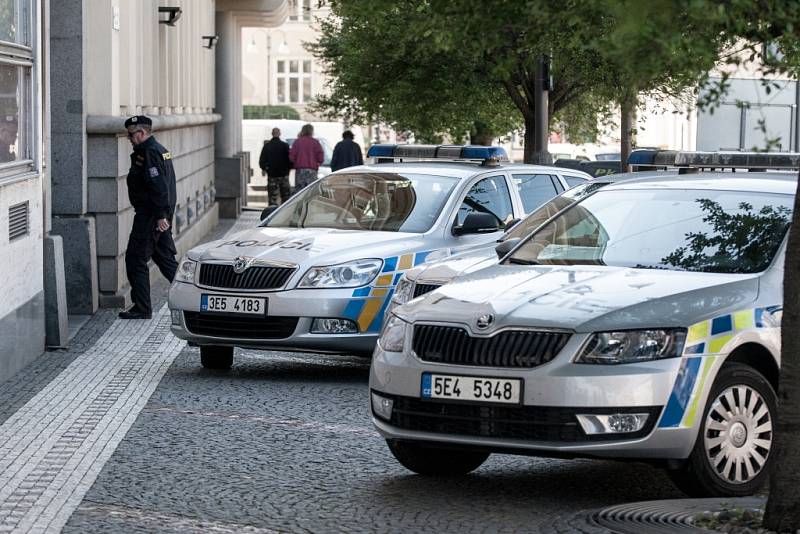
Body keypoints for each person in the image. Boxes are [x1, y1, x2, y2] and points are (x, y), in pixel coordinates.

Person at [120, 115, 178, 320]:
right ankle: (195, 298)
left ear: (142, 133)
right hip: (156, 214)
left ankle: (142, 307)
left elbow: (159, 186)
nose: (129, 139)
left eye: (131, 135)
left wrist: (161, 215)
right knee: (166, 261)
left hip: (150, 216)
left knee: (135, 259)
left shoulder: (150, 152)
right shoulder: (157, 150)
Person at [258, 128, 292, 205]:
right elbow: (290, 160)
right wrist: (288, 169)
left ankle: (272, 213)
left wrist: (265, 169)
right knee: (286, 197)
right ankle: (285, 213)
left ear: (272, 134)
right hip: (284, 175)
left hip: (272, 175)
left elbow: (262, 161)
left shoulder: (267, 146)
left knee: (272, 197)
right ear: (280, 134)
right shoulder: (285, 146)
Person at [289, 123, 324, 191]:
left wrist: (295, 162)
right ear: (311, 131)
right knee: (310, 191)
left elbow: (291, 157)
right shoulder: (315, 142)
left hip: (300, 170)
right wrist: (317, 162)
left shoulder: (297, 142)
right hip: (312, 170)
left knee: (300, 192)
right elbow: (320, 157)